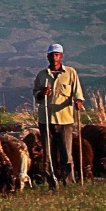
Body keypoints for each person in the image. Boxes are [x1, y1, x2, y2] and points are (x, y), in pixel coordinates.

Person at [34, 43, 84, 187]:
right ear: (48, 57)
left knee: (66, 154)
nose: (54, 57)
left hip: (64, 119)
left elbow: (77, 91)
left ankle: (68, 181)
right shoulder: (42, 75)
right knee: (48, 155)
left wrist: (78, 101)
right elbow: (35, 94)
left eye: (57, 55)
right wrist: (40, 94)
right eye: (51, 55)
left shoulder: (70, 73)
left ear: (61, 56)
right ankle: (52, 182)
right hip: (46, 120)